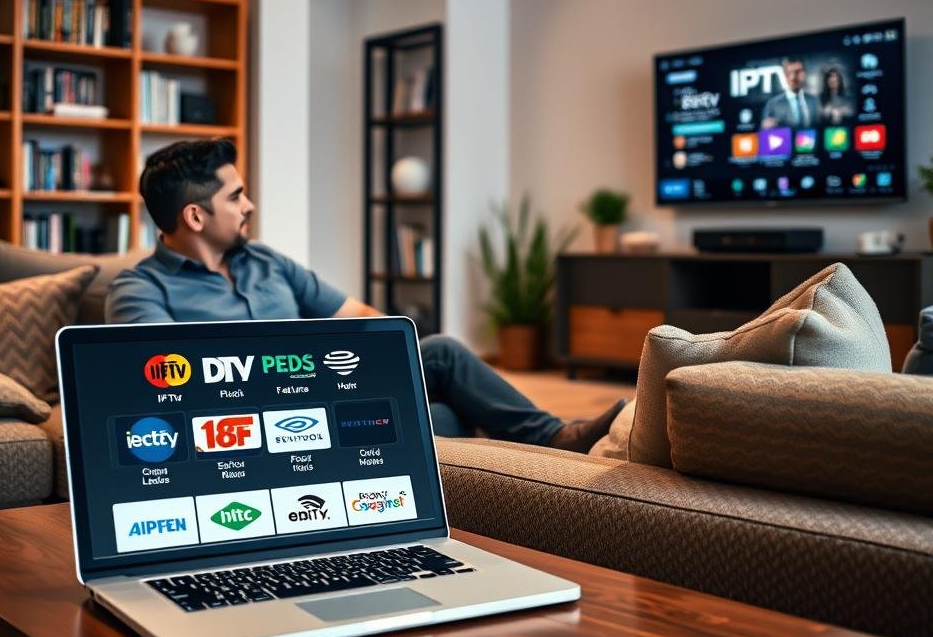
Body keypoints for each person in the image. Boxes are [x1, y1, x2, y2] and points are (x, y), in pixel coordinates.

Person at [106, 139, 625, 452]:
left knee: (439, 353)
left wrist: (339, 362)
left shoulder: (267, 262)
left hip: (326, 389)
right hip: (250, 425)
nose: (250, 204)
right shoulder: (139, 288)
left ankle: (556, 437)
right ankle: (516, 434)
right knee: (448, 417)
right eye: (236, 195)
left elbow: (363, 317)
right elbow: (164, 378)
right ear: (195, 215)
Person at [760, 57, 819, 128]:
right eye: (789, 73)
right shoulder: (773, 104)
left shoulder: (814, 101)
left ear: (804, 73)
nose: (793, 77)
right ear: (784, 74)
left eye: (797, 72)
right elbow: (764, 132)